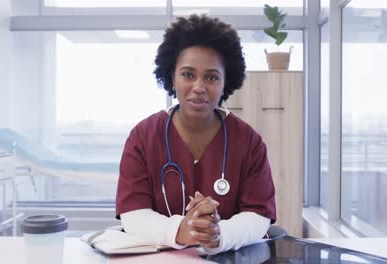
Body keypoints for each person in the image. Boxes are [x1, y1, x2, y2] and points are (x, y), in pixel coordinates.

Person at [116, 14, 276, 254]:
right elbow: (133, 214)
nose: (199, 87)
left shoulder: (248, 142)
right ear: (172, 77)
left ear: (225, 82)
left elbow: (258, 214)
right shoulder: (143, 137)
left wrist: (220, 234)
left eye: (212, 77)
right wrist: (181, 229)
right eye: (188, 74)